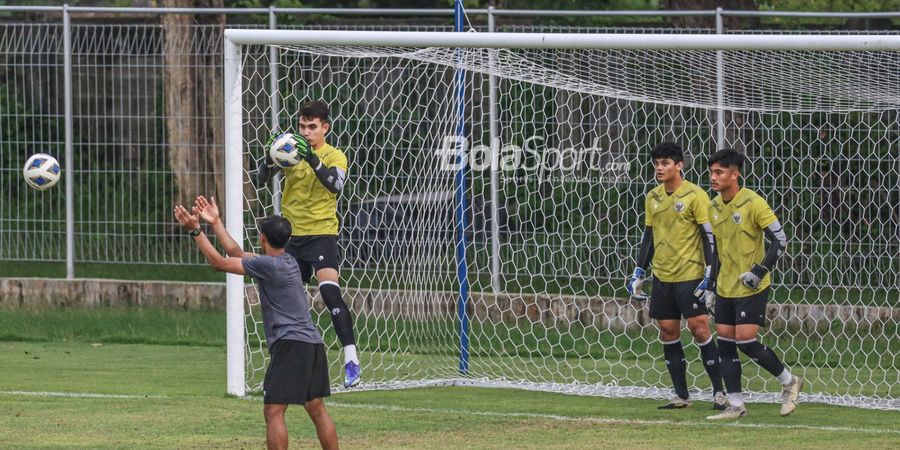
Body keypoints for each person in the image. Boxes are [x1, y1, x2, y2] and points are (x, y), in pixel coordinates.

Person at [174, 196, 338, 450]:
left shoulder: (269, 266)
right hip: (313, 343)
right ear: (288, 239)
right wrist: (216, 222)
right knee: (316, 408)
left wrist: (195, 230)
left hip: (290, 344)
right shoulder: (288, 262)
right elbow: (237, 253)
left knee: (273, 411)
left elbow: (219, 262)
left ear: (262, 238)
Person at [257, 100, 361, 388]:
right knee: (285, 302)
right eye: (302, 126)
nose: (306, 132)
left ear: (325, 128)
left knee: (329, 293)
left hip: (321, 234)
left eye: (312, 127)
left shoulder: (334, 155)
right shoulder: (289, 150)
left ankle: (351, 359)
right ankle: (285, 364)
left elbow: (335, 185)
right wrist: (268, 159)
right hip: (291, 237)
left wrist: (312, 159)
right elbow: (261, 179)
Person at [626, 142, 727, 410]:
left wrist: (709, 271)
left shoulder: (696, 196)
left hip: (690, 275)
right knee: (668, 331)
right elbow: (649, 236)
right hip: (662, 276)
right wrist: (639, 271)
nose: (659, 168)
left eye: (665, 163)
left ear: (679, 165)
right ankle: (682, 396)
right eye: (656, 164)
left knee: (700, 329)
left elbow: (709, 236)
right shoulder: (653, 197)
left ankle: (720, 393)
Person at [703, 149, 803, 420]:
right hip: (725, 286)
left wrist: (758, 272)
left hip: (752, 286)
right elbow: (715, 250)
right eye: (711, 172)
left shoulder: (754, 202)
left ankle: (789, 382)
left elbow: (780, 241)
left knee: (745, 340)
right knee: (725, 343)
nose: (713, 177)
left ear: (735, 174)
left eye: (719, 172)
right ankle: (736, 405)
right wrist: (710, 286)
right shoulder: (713, 206)